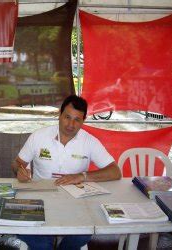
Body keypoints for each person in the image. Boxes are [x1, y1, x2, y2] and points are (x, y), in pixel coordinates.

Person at [11, 95, 122, 250]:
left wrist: (82, 176)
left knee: (83, 233)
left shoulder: (89, 141)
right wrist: (19, 171)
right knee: (41, 243)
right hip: (39, 200)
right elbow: (18, 163)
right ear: (60, 115)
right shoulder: (39, 136)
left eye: (77, 119)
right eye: (67, 117)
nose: (71, 124)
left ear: (83, 121)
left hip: (74, 202)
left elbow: (115, 172)